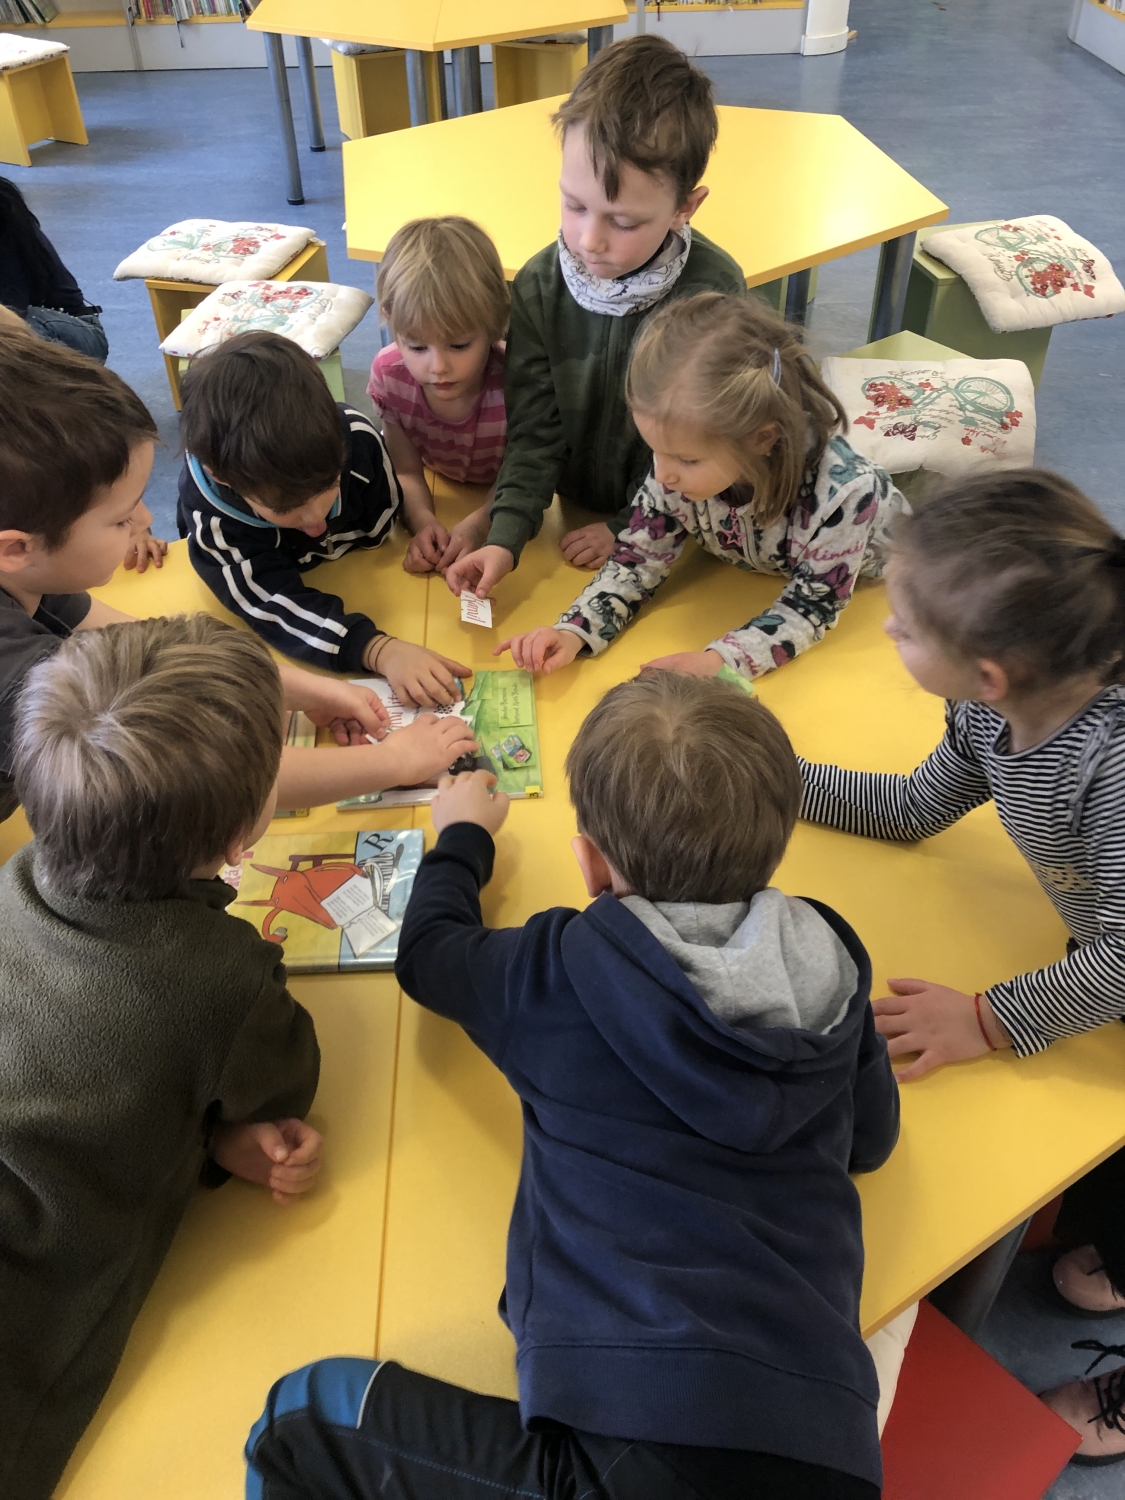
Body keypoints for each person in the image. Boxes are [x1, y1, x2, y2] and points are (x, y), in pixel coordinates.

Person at [244, 672, 900, 1500]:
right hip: (829, 1439)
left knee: (295, 1424)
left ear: (588, 863)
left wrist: (462, 837)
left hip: (638, 1452)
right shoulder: (830, 960)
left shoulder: (559, 971)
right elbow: (870, 1141)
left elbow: (429, 953)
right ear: (776, 843)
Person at [795, 469, 1125, 1462]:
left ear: (986, 671)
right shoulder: (992, 714)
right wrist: (776, 779)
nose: (884, 630)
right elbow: (912, 807)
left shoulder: (1109, 769)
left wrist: (988, 1020)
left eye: (900, 627)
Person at [0, 613, 323, 1500]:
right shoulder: (224, 976)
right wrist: (218, 1132)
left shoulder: (16, 876)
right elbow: (284, 1085)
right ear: (239, 841)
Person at [0, 312, 478, 824]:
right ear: (16, 548)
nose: (146, 520)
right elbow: (202, 773)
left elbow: (154, 653)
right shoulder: (16, 673)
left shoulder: (35, 577)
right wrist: (394, 760)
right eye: (121, 518)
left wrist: (311, 690)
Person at [445, 34, 747, 601]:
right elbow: (534, 433)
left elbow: (705, 445)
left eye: (624, 222)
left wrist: (631, 527)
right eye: (574, 204)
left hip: (669, 526)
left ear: (685, 207)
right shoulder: (539, 286)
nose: (589, 240)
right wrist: (504, 538)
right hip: (565, 512)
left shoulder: (714, 294)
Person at [498, 292, 904, 682]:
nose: (662, 475)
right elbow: (636, 561)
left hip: (882, 597)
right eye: (655, 451)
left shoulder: (847, 495)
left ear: (761, 438)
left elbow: (809, 608)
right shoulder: (676, 462)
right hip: (749, 580)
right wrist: (574, 631)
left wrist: (720, 661)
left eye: (686, 460)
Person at [177, 330, 472, 708]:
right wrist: (377, 649)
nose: (318, 522)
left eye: (330, 486)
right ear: (221, 477)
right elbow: (272, 605)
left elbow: (380, 526)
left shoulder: (358, 441)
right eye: (286, 510)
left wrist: (418, 528)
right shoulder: (214, 524)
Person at [369, 217, 509, 576]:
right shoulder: (390, 374)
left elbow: (521, 476)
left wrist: (481, 523)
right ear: (390, 322)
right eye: (416, 346)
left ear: (495, 323)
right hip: (436, 488)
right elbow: (405, 470)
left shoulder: (516, 380)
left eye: (459, 345)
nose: (438, 367)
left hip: (502, 501)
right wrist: (423, 522)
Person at [0, 176, 109, 361]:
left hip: (72, 330)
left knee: (15, 333)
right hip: (29, 324)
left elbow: (12, 318)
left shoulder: (10, 234)